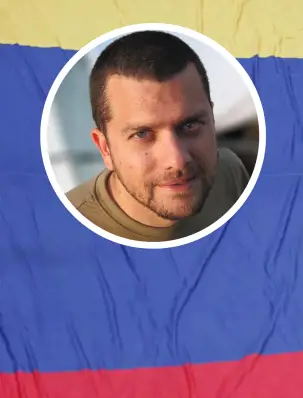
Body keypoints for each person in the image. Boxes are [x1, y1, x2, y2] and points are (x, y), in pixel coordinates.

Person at [66, 30, 252, 243]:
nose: (177, 160)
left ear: (212, 118)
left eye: (190, 125)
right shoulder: (64, 233)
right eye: (142, 134)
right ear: (105, 148)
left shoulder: (228, 174)